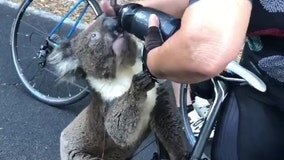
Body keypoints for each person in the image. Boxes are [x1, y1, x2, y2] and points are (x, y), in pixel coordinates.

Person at [101, 0, 284, 159]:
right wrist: (128, 7)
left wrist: (153, 62)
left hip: (262, 95)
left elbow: (202, 51)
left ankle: (188, 109)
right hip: (263, 89)